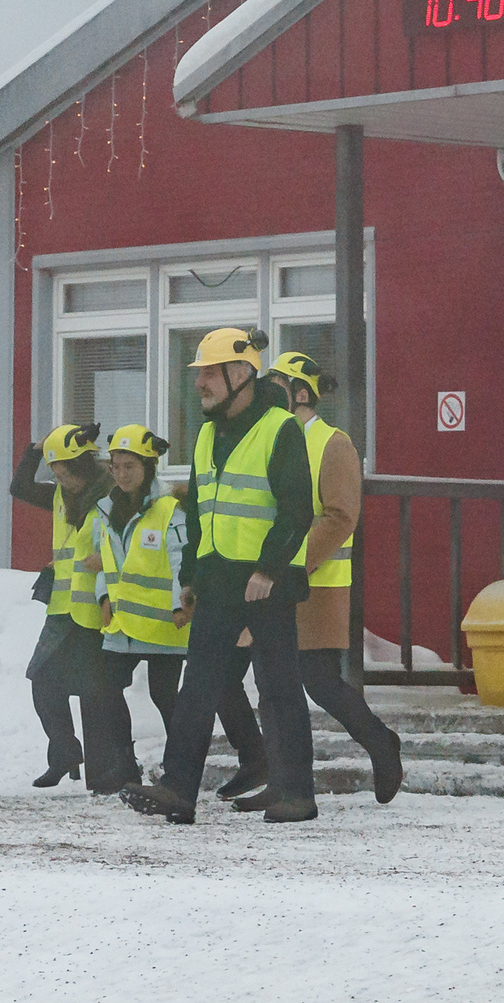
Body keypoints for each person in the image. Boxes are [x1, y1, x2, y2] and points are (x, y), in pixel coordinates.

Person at [121, 327, 318, 825]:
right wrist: (189, 576)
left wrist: (268, 569)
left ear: (241, 374)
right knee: (198, 686)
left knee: (279, 687)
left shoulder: (280, 429)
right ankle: (178, 790)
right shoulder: (207, 433)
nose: (200, 383)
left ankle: (297, 794)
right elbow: (203, 514)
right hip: (218, 579)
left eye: (209, 373)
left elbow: (297, 510)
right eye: (200, 374)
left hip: (265, 582)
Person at [237, 351, 404, 808]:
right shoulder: (270, 437)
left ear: (302, 393)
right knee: (271, 683)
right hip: (271, 582)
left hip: (317, 584)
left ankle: (380, 743)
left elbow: (340, 515)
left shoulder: (333, 444)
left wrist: (287, 566)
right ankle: (281, 779)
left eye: (277, 385)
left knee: (319, 681)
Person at [84, 425, 188, 785]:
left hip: (163, 624)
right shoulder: (107, 509)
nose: (122, 474)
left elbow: (181, 562)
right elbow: (108, 560)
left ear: (149, 467)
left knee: (165, 697)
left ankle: (180, 770)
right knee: (102, 689)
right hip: (123, 622)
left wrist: (181, 604)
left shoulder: (169, 511)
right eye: (116, 466)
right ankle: (124, 766)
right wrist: (103, 596)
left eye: (130, 466)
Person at [8, 423, 111, 788]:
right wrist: (35, 452)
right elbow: (18, 488)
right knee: (43, 682)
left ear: (84, 467)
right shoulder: (56, 496)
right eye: (56, 474)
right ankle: (65, 752)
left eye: (66, 473)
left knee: (92, 691)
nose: (61, 481)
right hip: (62, 609)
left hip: (95, 610)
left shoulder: (108, 497)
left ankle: (102, 768)